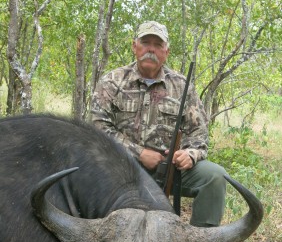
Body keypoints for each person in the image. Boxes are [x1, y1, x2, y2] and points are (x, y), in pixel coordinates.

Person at [90, 21, 226, 228]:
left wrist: (190, 154)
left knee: (214, 176)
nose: (150, 49)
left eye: (157, 44)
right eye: (145, 43)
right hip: (119, 166)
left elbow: (198, 132)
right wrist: (138, 153)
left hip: (170, 169)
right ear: (135, 46)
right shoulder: (112, 82)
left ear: (166, 51)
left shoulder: (182, 86)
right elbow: (97, 129)